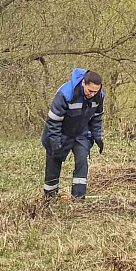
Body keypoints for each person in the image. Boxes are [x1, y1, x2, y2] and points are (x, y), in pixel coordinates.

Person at [42, 69, 104, 200]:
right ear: (83, 83)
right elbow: (53, 121)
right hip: (60, 132)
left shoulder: (99, 96)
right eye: (90, 91)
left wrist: (97, 137)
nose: (92, 94)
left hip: (81, 133)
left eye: (96, 91)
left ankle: (78, 198)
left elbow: (97, 118)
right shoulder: (66, 93)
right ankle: (50, 197)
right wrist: (55, 143)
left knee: (82, 161)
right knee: (54, 162)